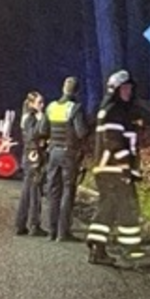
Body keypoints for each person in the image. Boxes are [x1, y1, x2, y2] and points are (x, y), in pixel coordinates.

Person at [86, 70, 146, 266]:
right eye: (124, 88)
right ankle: (130, 251)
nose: (128, 92)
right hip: (113, 170)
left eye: (129, 88)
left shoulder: (117, 111)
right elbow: (113, 142)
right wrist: (126, 167)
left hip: (112, 169)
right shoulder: (113, 111)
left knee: (109, 208)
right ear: (115, 90)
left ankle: (98, 247)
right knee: (125, 208)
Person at [44, 76, 89, 242]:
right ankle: (63, 233)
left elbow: (42, 129)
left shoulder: (51, 107)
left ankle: (51, 231)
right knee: (68, 191)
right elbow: (81, 132)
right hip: (69, 153)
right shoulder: (75, 108)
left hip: (53, 152)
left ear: (63, 89)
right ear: (77, 91)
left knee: (53, 191)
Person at [14, 91, 49, 237]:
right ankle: (34, 224)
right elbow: (34, 135)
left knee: (27, 192)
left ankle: (21, 224)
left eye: (43, 102)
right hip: (33, 157)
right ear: (31, 104)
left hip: (31, 156)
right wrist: (42, 119)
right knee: (34, 192)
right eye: (39, 102)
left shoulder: (27, 117)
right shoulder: (30, 118)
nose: (42, 105)